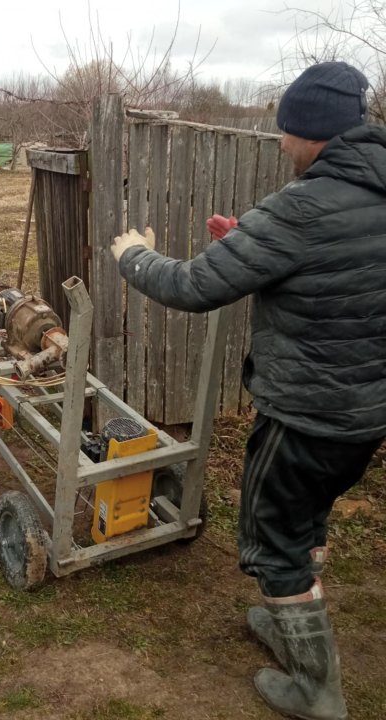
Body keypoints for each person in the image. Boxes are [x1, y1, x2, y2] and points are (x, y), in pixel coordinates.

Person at [111, 61, 385, 720]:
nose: (280, 142)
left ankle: (317, 690)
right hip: (366, 414)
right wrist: (250, 247)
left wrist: (133, 256)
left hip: (305, 415)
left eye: (284, 130)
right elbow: (347, 271)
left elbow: (190, 288)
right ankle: (291, 615)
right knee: (306, 514)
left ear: (311, 132)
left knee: (272, 536)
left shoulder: (302, 206)